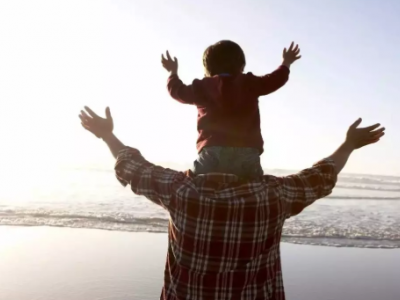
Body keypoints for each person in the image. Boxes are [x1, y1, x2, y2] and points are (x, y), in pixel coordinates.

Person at [79, 106, 385, 300]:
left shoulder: (181, 192)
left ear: (202, 162)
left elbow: (132, 166)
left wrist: (107, 136)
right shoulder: (273, 196)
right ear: (254, 163)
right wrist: (348, 145)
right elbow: (321, 176)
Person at [161, 40, 301, 179]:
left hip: (212, 152)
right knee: (253, 184)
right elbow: (275, 79)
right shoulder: (250, 83)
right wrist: (286, 62)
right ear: (241, 64)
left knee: (196, 182)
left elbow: (177, 91)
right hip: (247, 152)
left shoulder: (202, 87)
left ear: (208, 66)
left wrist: (172, 72)